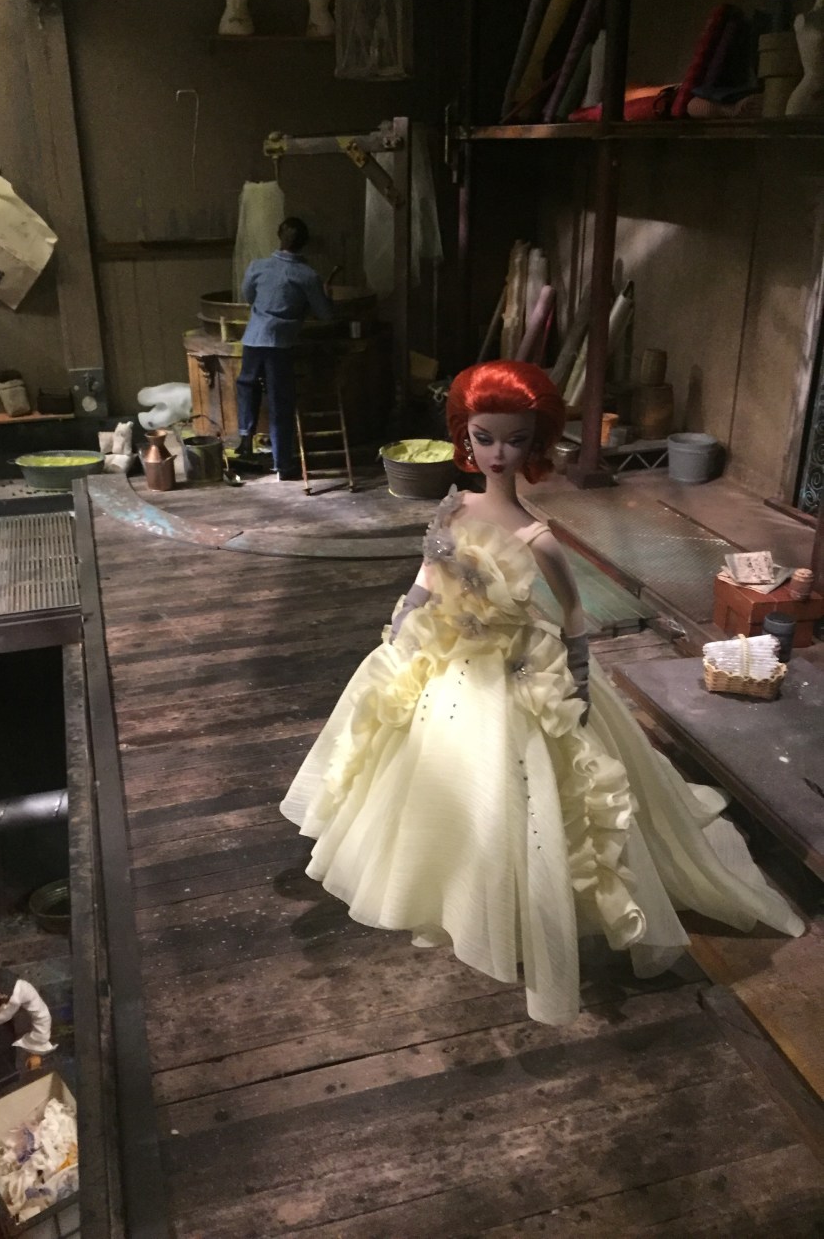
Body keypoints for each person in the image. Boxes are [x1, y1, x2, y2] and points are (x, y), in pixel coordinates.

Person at [280, 360, 803, 1026]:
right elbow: (432, 567)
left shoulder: (538, 537)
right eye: (484, 437)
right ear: (464, 435)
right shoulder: (455, 505)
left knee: (527, 786)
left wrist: (576, 679)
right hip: (448, 654)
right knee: (436, 776)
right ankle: (457, 888)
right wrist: (411, 606)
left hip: (520, 669)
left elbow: (575, 617)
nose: (497, 454)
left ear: (535, 442)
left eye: (515, 439)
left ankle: (514, 899)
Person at [235, 216, 334, 480]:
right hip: (280, 344)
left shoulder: (257, 267)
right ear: (305, 243)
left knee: (247, 386)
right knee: (280, 400)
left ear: (279, 236)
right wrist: (327, 294)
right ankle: (282, 464)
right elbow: (326, 315)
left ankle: (245, 442)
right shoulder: (308, 276)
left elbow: (249, 296)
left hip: (253, 339)